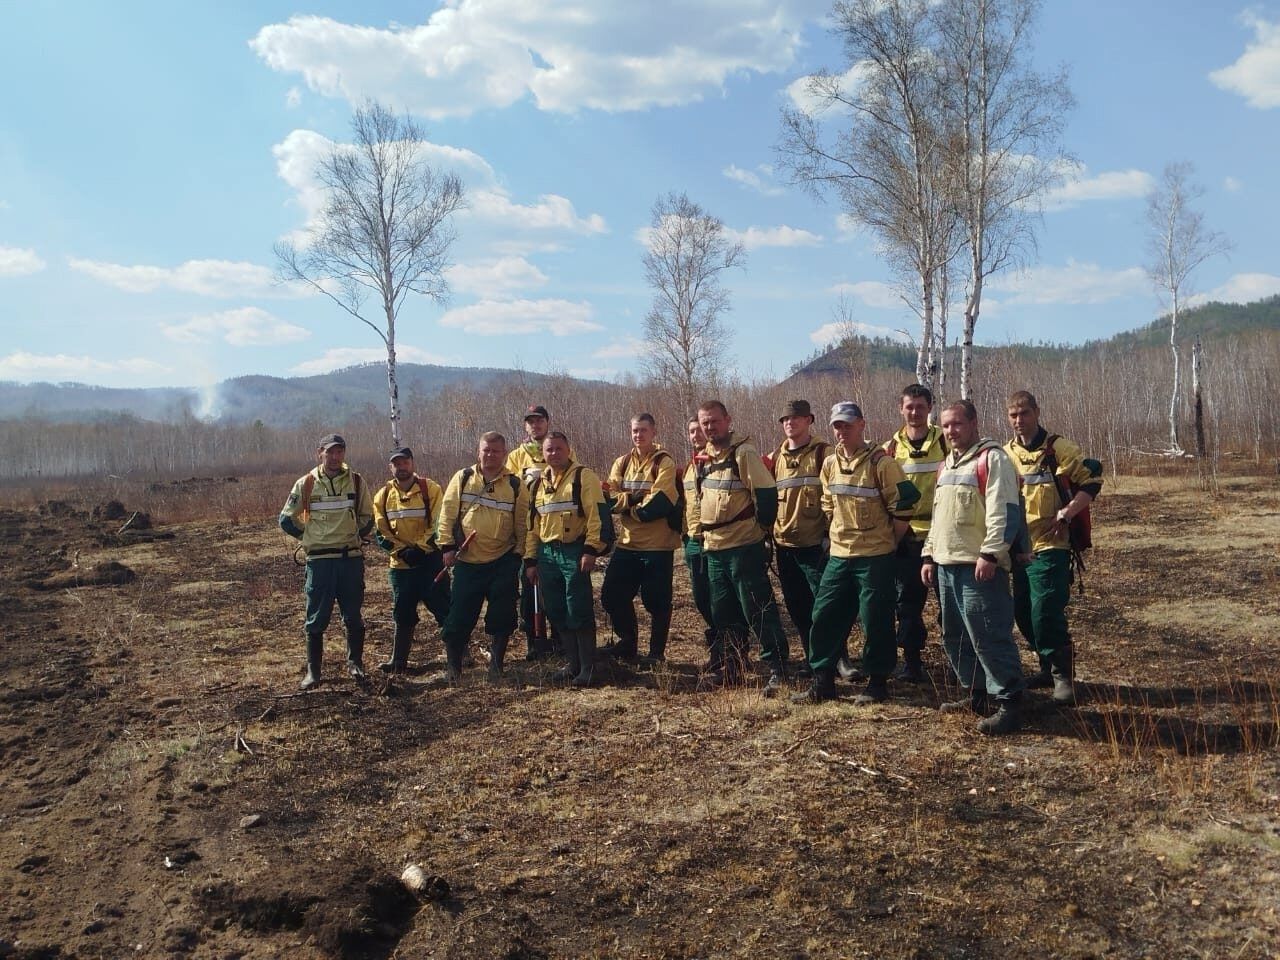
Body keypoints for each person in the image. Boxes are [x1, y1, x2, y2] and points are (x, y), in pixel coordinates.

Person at [792, 403, 918, 704]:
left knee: (875, 619)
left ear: (862, 424)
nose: (841, 431)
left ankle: (877, 682)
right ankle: (822, 680)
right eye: (837, 425)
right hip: (839, 555)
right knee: (824, 615)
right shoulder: (830, 464)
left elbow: (908, 502)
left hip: (874, 557)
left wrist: (891, 539)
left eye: (847, 425)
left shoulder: (882, 464)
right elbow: (827, 504)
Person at [921, 400, 1027, 735]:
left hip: (978, 566)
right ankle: (976, 693)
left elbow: (1004, 511)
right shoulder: (946, 465)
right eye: (946, 425)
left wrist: (991, 554)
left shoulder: (992, 459)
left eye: (957, 424)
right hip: (946, 564)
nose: (951, 431)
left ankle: (1009, 701)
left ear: (974, 423)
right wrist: (928, 554)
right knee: (956, 635)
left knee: (988, 634)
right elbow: (939, 517)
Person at [1005, 390, 1103, 703]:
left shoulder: (1058, 449)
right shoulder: (1005, 454)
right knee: (1023, 613)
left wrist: (1067, 512)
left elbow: (1091, 481)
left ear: (1036, 412)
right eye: (1013, 415)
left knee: (1045, 611)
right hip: (1020, 546)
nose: (1019, 421)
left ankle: (1064, 677)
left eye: (1024, 414)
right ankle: (1046, 667)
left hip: (1052, 544)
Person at [695, 400, 789, 692]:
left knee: (757, 608)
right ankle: (732, 668)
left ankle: (778, 667)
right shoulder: (705, 458)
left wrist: (761, 530)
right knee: (723, 613)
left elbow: (766, 493)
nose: (710, 427)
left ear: (728, 420)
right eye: (705, 423)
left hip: (743, 547)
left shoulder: (743, 453)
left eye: (715, 421)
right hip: (714, 549)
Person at [278, 433, 375, 690]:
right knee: (315, 619)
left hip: (350, 560)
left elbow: (368, 516)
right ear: (319, 453)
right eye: (330, 452)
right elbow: (286, 519)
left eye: (339, 451)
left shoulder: (356, 481)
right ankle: (314, 673)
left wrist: (355, 534)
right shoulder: (306, 483)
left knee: (353, 616)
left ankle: (356, 664)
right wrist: (309, 537)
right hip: (320, 562)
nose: (335, 457)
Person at [437, 431, 529, 682]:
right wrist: (446, 547)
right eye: (486, 450)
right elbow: (446, 514)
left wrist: (519, 555)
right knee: (458, 617)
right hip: (468, 562)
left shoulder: (516, 484)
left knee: (503, 616)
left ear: (504, 454)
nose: (490, 455)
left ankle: (496, 666)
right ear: (478, 452)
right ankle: (453, 669)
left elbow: (522, 523)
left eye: (495, 451)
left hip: (502, 561)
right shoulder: (463, 478)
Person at [525, 431, 607, 686]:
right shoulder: (538, 484)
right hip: (547, 554)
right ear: (544, 453)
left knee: (578, 607)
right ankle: (572, 665)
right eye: (549, 450)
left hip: (574, 551)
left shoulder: (584, 477)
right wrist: (530, 559)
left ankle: (588, 667)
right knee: (557, 609)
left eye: (559, 449)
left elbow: (597, 515)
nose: (554, 454)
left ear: (568, 450)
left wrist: (591, 549)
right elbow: (532, 525)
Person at [600, 413, 681, 663]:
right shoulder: (622, 463)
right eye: (635, 430)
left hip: (658, 545)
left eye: (643, 430)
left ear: (654, 432)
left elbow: (656, 506)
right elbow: (609, 499)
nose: (639, 435)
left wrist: (627, 505)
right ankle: (627, 644)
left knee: (657, 601)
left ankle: (656, 654)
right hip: (628, 543)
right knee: (612, 595)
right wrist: (632, 500)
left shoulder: (664, 462)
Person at [882, 384, 949, 683]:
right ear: (901, 408)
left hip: (944, 534)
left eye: (920, 406)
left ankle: (961, 659)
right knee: (907, 603)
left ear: (929, 408)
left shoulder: (945, 441)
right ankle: (912, 662)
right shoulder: (890, 449)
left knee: (951, 602)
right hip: (907, 537)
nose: (914, 412)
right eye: (909, 406)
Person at [371, 446, 451, 674]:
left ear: (412, 463)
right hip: (400, 566)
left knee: (444, 608)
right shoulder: (383, 495)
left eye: (405, 462)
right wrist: (400, 551)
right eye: (397, 464)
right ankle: (398, 661)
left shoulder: (431, 489)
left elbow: (439, 523)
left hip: (429, 562)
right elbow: (380, 530)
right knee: (402, 612)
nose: (401, 467)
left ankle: (460, 655)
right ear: (390, 467)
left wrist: (421, 548)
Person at [770, 400, 830, 677]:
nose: (790, 423)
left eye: (796, 418)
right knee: (797, 606)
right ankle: (811, 657)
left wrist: (830, 539)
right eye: (785, 419)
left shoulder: (824, 454)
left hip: (816, 546)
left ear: (809, 420)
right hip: (785, 546)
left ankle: (835, 658)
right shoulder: (775, 459)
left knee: (825, 605)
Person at [506, 404, 560, 660]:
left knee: (555, 588)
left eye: (539, 421)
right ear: (525, 426)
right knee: (529, 587)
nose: (535, 425)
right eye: (530, 422)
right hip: (526, 528)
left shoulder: (559, 448)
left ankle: (560, 640)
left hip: (554, 525)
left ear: (547, 422)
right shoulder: (517, 456)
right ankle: (533, 641)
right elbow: (508, 484)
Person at [681, 417, 717, 646]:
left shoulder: (723, 461)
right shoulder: (689, 467)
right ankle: (717, 643)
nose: (696, 435)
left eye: (699, 430)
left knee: (722, 600)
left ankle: (730, 650)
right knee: (701, 598)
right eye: (692, 431)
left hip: (717, 541)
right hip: (693, 542)